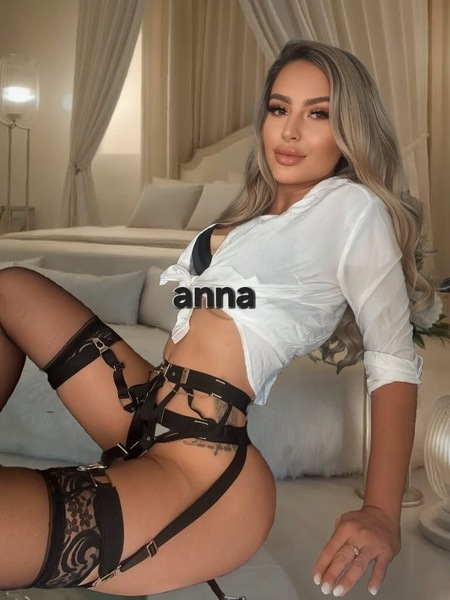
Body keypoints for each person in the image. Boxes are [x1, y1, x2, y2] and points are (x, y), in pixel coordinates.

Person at [0, 39, 433, 599]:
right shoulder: (253, 215)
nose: (290, 131)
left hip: (204, 463)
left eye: (317, 114)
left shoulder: (353, 210)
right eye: (279, 108)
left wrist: (380, 511)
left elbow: (393, 361)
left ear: (350, 129)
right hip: (145, 407)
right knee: (12, 288)